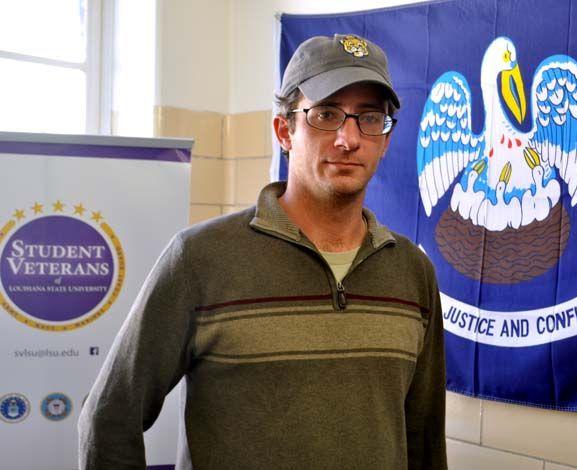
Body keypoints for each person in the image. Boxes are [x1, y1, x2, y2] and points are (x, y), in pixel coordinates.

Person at [79, 33, 447, 470]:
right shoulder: (200, 259)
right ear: (284, 130)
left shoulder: (411, 270)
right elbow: (109, 417)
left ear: (385, 140)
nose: (349, 138)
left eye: (369, 118)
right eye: (326, 114)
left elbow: (423, 438)